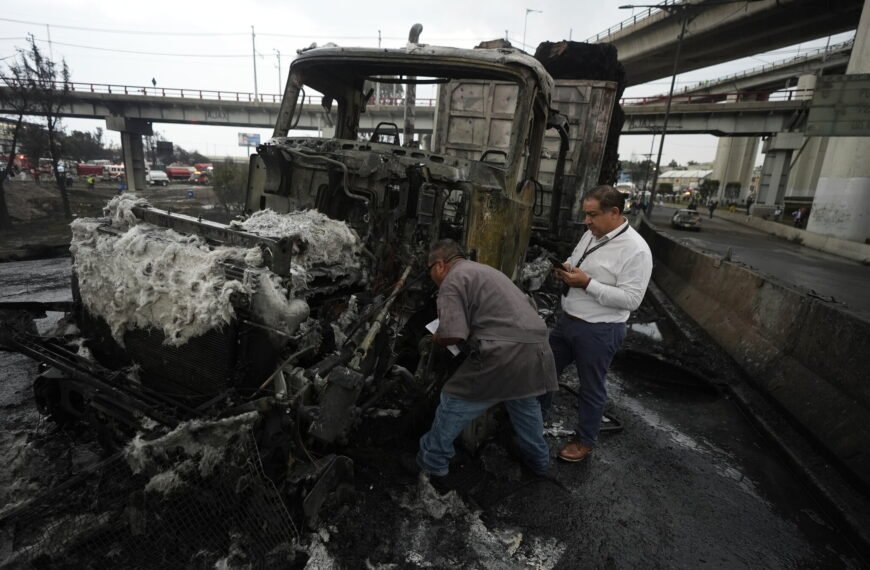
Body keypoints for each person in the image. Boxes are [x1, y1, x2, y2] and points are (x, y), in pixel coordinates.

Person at [417, 239, 558, 481]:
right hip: (537, 347)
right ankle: (539, 462)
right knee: (524, 405)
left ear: (439, 265)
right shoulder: (485, 271)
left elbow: (453, 334)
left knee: (453, 399)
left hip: (503, 352)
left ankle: (432, 462)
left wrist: (436, 338)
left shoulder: (451, 281)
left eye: (429, 270)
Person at [549, 185, 653, 463]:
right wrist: (566, 269)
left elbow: (632, 300)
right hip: (567, 322)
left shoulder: (636, 251)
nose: (587, 221)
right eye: (586, 214)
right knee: (544, 371)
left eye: (592, 215)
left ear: (614, 213)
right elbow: (578, 260)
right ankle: (532, 419)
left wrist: (587, 284)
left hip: (599, 330)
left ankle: (584, 441)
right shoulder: (592, 233)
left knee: (591, 387)